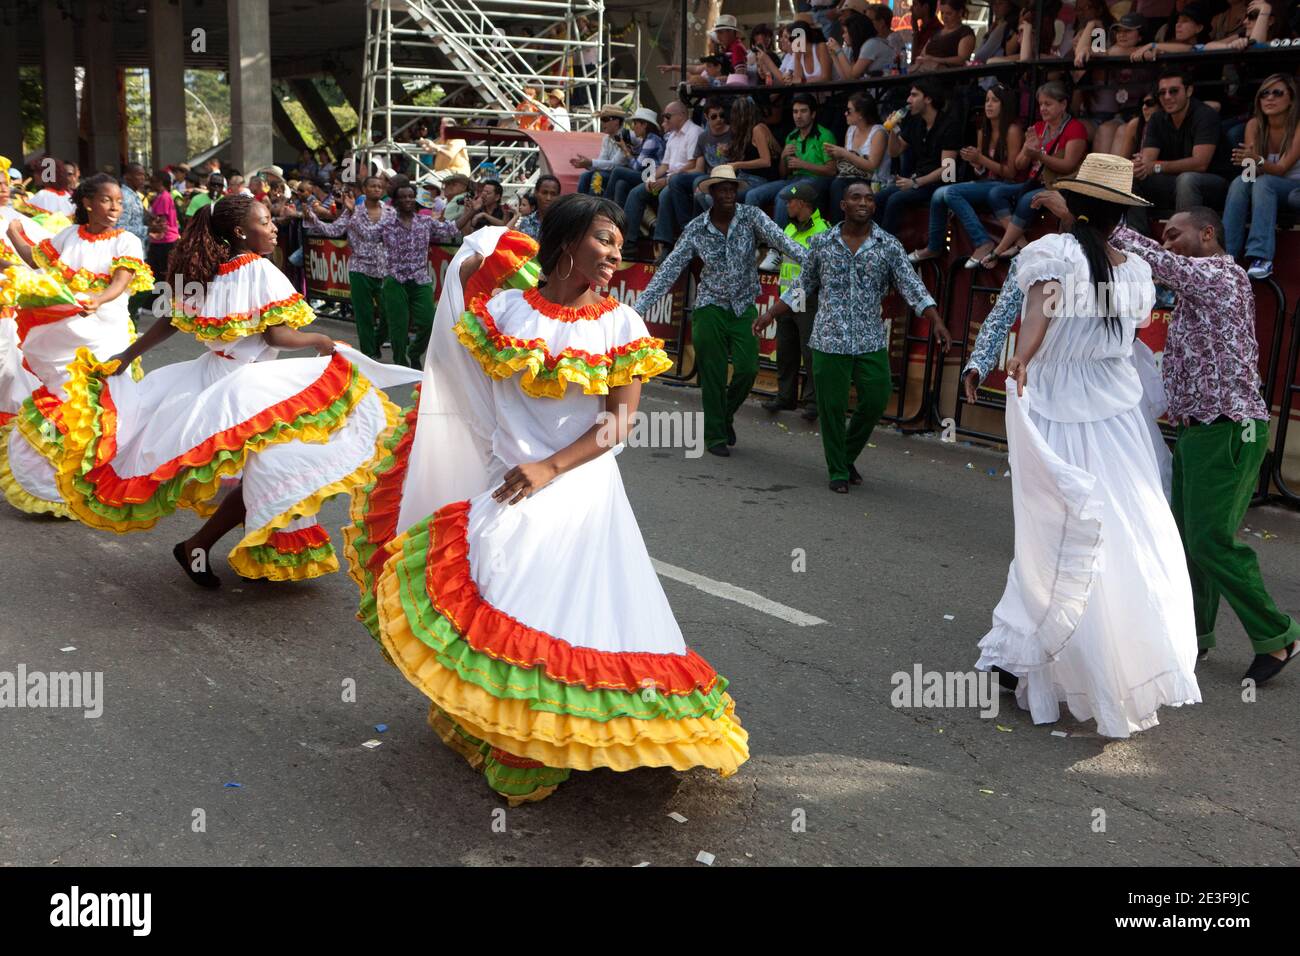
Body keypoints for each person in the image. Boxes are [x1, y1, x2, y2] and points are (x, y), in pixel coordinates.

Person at [342, 198, 749, 805]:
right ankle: (510, 731)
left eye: (619, 244)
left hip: (579, 484)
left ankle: (574, 735)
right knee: (498, 597)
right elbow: (456, 321)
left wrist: (548, 468)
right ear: (565, 243)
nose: (616, 254)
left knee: (548, 606)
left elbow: (617, 426)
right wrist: (480, 250)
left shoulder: (622, 327)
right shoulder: (504, 310)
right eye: (604, 240)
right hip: (510, 477)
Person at [48, 194, 420, 587]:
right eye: (265, 220)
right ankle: (204, 543)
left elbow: (170, 322)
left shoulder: (210, 269)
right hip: (247, 386)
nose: (274, 226)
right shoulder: (259, 270)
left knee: (273, 468)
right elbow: (276, 334)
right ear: (241, 231)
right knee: (278, 467)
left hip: (213, 376)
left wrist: (128, 354)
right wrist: (319, 338)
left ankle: (246, 545)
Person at [976, 153, 1201, 738]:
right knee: (1123, 528)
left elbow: (1040, 315)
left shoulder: (1053, 254)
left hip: (1058, 407)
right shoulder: (1134, 273)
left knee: (1055, 528)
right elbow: (1114, 338)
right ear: (1119, 216)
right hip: (1118, 416)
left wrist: (1021, 360)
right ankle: (1087, 652)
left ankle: (1037, 653)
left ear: (1074, 207)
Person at [1104, 200, 1299, 684]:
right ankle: (1193, 636)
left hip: (1231, 427)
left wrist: (1105, 222)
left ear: (1208, 235)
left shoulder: (1222, 275)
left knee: (1210, 539)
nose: (1168, 243)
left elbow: (1160, 262)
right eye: (1164, 236)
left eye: (1175, 234)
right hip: (1197, 429)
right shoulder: (1195, 291)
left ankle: (1279, 636)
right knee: (1188, 542)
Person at [756, 180, 949, 492]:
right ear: (843, 205)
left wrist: (936, 320)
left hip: (869, 339)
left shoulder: (888, 245)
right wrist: (770, 314)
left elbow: (912, 287)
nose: (864, 203)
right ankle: (838, 471)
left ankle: (844, 456)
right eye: (856, 197)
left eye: (869, 199)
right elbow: (803, 287)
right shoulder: (822, 243)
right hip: (828, 339)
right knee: (831, 408)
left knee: (876, 397)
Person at [0, 173, 154, 516]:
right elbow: (37, 261)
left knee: (103, 402)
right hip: (65, 331)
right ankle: (62, 482)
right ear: (87, 203)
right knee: (67, 402)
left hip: (104, 331)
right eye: (106, 200)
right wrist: (14, 235)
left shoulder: (127, 240)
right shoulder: (69, 235)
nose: (115, 207)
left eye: (118, 201)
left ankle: (105, 478)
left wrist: (99, 299)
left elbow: (120, 282)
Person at [635, 165, 807, 457]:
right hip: (709, 307)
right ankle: (715, 434)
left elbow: (787, 244)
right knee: (713, 374)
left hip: (743, 307)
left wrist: (820, 262)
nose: (728, 193)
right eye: (722, 189)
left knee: (747, 368)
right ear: (712, 193)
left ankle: (724, 416)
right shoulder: (696, 229)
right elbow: (670, 270)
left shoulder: (752, 217)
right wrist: (638, 308)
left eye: (732, 189)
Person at [912, 83, 1025, 267]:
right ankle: (934, 246)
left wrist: (981, 159)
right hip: (989, 182)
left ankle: (983, 242)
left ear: (1005, 104)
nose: (988, 105)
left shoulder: (1012, 130)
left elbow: (1011, 172)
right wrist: (977, 164)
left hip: (1007, 184)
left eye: (995, 101)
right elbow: (984, 171)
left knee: (949, 192)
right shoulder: (984, 130)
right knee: (938, 194)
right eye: (987, 100)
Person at [980, 81, 1089, 266]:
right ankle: (1020, 243)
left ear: (1063, 104)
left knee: (1028, 199)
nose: (1043, 109)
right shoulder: (1038, 127)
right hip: (1035, 182)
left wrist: (1039, 155)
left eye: (1048, 104)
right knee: (995, 194)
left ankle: (999, 249)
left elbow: (1068, 166)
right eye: (1040, 104)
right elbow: (1020, 165)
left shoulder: (1075, 128)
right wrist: (1027, 150)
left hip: (1060, 184)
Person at [1128, 67, 1231, 231]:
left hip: (1214, 183)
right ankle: (1137, 241)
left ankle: (1185, 243)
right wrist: (1140, 165)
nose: (1167, 97)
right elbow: (1147, 162)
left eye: (1174, 91)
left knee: (1187, 179)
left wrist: (1156, 166)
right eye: (1162, 93)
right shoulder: (1157, 118)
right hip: (1174, 181)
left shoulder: (1205, 115)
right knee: (1130, 178)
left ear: (1189, 91)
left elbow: (1200, 164)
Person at [304, 175, 393, 359]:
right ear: (365, 190)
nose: (377, 189)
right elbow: (334, 230)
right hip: (359, 268)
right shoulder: (352, 211)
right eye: (373, 186)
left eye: (379, 186)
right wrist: (314, 219)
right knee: (364, 314)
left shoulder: (390, 212)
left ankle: (376, 342)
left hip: (384, 269)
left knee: (389, 313)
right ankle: (369, 353)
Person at [1223, 73, 1300, 280]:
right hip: (1265, 186)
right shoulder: (1254, 125)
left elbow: (1282, 168)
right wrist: (1248, 163)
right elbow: (1251, 173)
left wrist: (1256, 160)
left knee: (1265, 182)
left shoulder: (1298, 126)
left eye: (1277, 93)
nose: (1270, 98)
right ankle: (1225, 257)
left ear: (1291, 98)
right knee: (1240, 181)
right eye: (1264, 94)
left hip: (1294, 188)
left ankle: (1261, 257)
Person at [763, 181, 829, 420]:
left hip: (809, 300)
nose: (787, 205)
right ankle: (785, 396)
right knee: (786, 351)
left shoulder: (822, 231)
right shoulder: (789, 229)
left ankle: (813, 403)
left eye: (790, 201)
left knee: (810, 353)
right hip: (786, 299)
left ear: (802, 203)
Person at [380, 182, 460, 368]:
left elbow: (451, 229)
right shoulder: (386, 224)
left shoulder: (425, 222)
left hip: (420, 279)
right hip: (395, 279)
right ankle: (400, 363)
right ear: (396, 201)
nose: (407, 200)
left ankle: (414, 353)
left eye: (410, 196)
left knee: (428, 322)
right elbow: (365, 236)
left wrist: (473, 211)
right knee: (398, 325)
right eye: (403, 197)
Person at [876, 78, 961, 238]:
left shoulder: (949, 125)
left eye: (914, 95)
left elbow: (948, 170)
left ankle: (886, 250)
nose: (909, 100)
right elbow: (895, 152)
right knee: (878, 197)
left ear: (928, 98)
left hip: (938, 183)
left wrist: (915, 182)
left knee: (896, 199)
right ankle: (871, 244)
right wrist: (893, 131)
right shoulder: (916, 122)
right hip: (918, 180)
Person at [746, 92, 836, 233]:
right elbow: (783, 174)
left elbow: (831, 170)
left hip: (816, 181)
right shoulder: (792, 136)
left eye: (803, 111)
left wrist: (803, 164)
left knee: (785, 194)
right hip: (793, 180)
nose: (798, 116)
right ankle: (751, 242)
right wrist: (783, 157)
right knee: (752, 195)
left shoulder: (824, 135)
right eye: (795, 112)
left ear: (813, 114)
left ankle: (778, 247)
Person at [622, 101, 702, 256]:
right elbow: (665, 166)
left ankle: (663, 244)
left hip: (686, 179)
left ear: (681, 115)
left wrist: (666, 179)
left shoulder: (694, 132)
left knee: (666, 192)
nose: (665, 119)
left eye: (667, 116)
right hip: (670, 177)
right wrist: (651, 178)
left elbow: (693, 165)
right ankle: (628, 242)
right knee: (636, 192)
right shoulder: (672, 136)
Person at [653, 96, 731, 255]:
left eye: (722, 115)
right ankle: (676, 234)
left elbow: (695, 167)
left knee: (677, 189)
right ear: (707, 118)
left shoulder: (726, 135)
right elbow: (698, 167)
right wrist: (653, 177)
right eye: (714, 116)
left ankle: (687, 233)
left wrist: (672, 176)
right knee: (635, 188)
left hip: (726, 177)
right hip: (702, 176)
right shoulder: (703, 137)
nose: (719, 120)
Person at [602, 108, 667, 208]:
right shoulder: (647, 139)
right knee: (621, 183)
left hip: (653, 176)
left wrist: (625, 150)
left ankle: (605, 206)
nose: (633, 127)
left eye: (635, 123)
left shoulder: (651, 140)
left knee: (617, 171)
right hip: (647, 174)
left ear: (644, 125)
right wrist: (630, 151)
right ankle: (619, 216)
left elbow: (637, 167)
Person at [572, 106, 633, 195]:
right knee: (584, 176)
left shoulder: (626, 136)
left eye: (605, 119)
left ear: (616, 121)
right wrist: (586, 164)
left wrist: (590, 163)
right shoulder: (606, 139)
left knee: (597, 176)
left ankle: (594, 207)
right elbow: (602, 162)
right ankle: (581, 206)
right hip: (611, 173)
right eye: (601, 119)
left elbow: (615, 165)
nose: (602, 123)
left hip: (623, 175)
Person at [910, 0, 976, 71]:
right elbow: (922, 55)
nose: (944, 17)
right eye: (942, 13)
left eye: (949, 13)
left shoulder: (964, 32)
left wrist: (934, 60)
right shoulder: (936, 33)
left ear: (960, 13)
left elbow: (962, 59)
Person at [513, 175, 561, 240]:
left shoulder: (563, 222)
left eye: (553, 194)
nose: (548, 198)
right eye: (544, 193)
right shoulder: (526, 222)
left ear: (558, 196)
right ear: (536, 193)